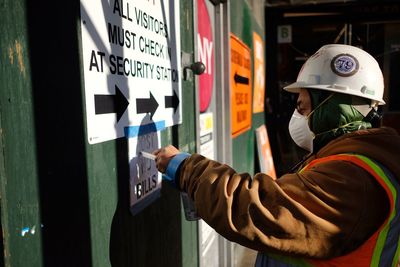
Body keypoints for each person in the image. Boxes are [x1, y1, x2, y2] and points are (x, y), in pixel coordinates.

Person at [153, 44, 400, 266]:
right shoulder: (350, 159)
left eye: (302, 105)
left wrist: (185, 166)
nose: (299, 113)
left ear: (332, 106)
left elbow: (257, 207)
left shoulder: (354, 177)